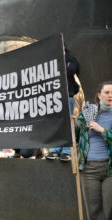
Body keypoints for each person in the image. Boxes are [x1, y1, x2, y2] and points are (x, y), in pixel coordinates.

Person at [75, 81, 112, 220]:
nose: (110, 95)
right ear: (99, 95)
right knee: (93, 210)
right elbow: (76, 134)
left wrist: (102, 130)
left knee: (110, 211)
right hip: (89, 168)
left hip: (110, 167)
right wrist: (78, 120)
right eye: (107, 92)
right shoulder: (88, 113)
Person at [46, 46, 80, 161]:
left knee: (67, 124)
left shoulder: (71, 59)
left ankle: (66, 151)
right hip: (54, 97)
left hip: (67, 96)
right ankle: (55, 150)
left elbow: (70, 71)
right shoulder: (51, 60)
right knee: (55, 124)